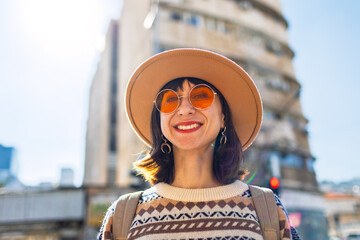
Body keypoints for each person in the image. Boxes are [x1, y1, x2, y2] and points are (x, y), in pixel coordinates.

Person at [98, 48, 301, 240]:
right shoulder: (123, 216)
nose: (184, 110)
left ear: (223, 117)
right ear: (159, 122)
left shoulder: (266, 209)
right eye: (170, 100)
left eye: (201, 96)